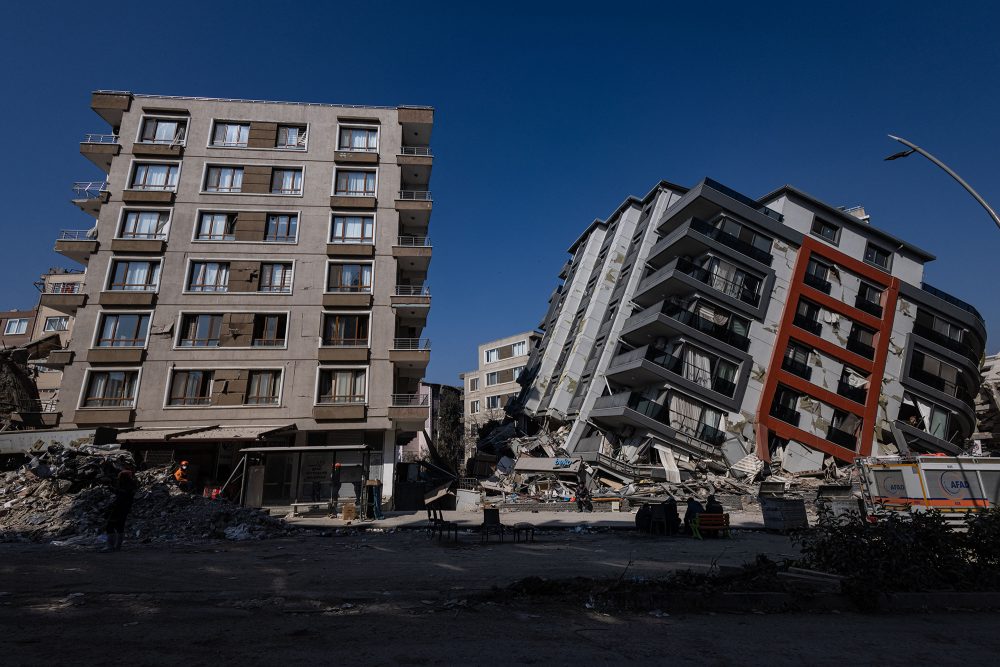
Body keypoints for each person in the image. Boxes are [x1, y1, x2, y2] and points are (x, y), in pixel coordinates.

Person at [101, 469, 137, 553]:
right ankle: (117, 547)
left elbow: (121, 495)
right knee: (120, 527)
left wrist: (112, 506)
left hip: (118, 509)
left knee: (110, 526)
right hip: (125, 509)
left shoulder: (125, 487)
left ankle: (110, 546)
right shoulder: (130, 486)